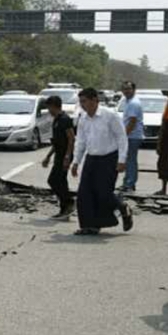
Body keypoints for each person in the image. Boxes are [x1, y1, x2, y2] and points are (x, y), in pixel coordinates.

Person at [71, 88, 135, 235]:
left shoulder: (110, 115)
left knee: (103, 193)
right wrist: (76, 162)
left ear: (95, 100)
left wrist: (122, 160)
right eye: (80, 102)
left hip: (109, 158)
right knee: (84, 193)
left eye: (85, 101)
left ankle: (122, 207)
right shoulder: (83, 118)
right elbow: (80, 141)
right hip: (91, 158)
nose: (82, 105)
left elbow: (121, 137)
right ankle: (89, 226)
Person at [41, 95, 76, 220]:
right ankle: (64, 209)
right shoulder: (56, 120)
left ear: (54, 106)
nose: (48, 111)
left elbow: (71, 138)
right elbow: (56, 142)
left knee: (53, 180)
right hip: (59, 154)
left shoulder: (65, 119)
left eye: (49, 107)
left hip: (65, 155)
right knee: (61, 181)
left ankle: (69, 202)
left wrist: (67, 156)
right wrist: (48, 156)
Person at [120, 81, 144, 192]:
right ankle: (127, 182)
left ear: (134, 90)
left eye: (128, 89)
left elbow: (132, 121)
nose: (126, 91)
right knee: (128, 160)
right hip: (130, 135)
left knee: (130, 160)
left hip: (132, 136)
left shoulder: (134, 103)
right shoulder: (127, 101)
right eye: (124, 89)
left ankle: (129, 184)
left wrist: (124, 136)